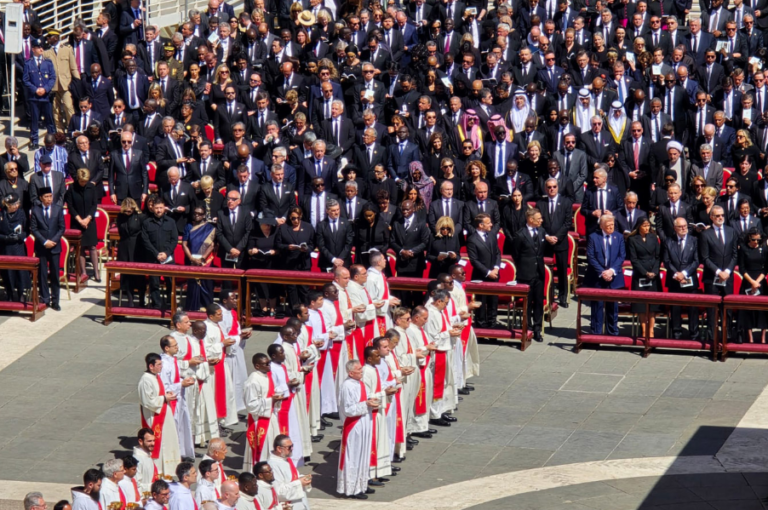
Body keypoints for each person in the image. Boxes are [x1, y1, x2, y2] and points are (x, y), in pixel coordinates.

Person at [337, 359, 377, 499]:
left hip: (364, 421)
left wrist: (371, 400)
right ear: (351, 373)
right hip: (354, 425)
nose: (362, 371)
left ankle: (362, 484)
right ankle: (352, 489)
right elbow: (348, 409)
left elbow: (366, 397)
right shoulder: (347, 386)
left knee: (363, 454)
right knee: (353, 457)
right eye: (359, 369)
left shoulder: (360, 383)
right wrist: (366, 404)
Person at [138, 353, 181, 476]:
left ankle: (168, 470)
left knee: (168, 439)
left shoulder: (156, 376)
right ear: (151, 366)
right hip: (155, 415)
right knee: (159, 441)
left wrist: (167, 395)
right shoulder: (145, 380)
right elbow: (148, 401)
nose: (161, 366)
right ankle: (158, 470)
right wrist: (164, 398)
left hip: (163, 412)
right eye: (159, 364)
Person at [699, 205, 738, 340]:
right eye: (717, 215)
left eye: (722, 215)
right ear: (711, 217)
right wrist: (718, 272)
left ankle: (727, 337)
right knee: (712, 310)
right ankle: (713, 339)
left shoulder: (731, 231)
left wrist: (727, 271)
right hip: (712, 277)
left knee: (727, 308)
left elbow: (735, 254)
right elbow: (705, 257)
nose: (720, 217)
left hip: (727, 276)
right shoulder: (705, 234)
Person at [585, 215, 626, 335]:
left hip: (614, 277)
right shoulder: (593, 237)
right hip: (597, 277)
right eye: (608, 226)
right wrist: (602, 272)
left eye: (612, 225)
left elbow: (621, 256)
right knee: (597, 306)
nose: (611, 227)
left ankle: (613, 331)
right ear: (601, 226)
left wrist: (611, 271)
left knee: (613, 306)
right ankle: (596, 332)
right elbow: (591, 256)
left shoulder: (619, 237)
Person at [512, 209, 547, 342]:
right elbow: (516, 254)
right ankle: (527, 327)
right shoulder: (520, 234)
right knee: (527, 303)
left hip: (539, 273)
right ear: (531, 220)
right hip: (526, 273)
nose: (541, 220)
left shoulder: (541, 231)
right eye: (539, 218)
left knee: (538, 302)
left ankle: (537, 329)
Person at [159, 335, 196, 459]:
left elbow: (174, 379)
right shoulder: (164, 364)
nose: (177, 347)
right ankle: (174, 454)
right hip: (172, 401)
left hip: (179, 397)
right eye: (174, 346)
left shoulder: (172, 360)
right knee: (174, 427)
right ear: (166, 348)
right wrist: (181, 384)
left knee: (182, 425)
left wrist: (183, 380)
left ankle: (182, 452)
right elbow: (165, 387)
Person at [663, 218, 701, 340]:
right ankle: (677, 333)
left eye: (685, 226)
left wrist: (684, 273)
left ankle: (694, 334)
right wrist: (676, 274)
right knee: (675, 308)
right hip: (674, 280)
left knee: (693, 308)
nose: (684, 228)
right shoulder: (668, 241)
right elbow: (667, 261)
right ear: (675, 228)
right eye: (680, 226)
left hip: (690, 279)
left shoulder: (694, 240)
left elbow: (696, 261)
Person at [30, 186, 65, 311]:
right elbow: (34, 228)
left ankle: (55, 301)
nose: (49, 199)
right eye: (46, 197)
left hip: (55, 247)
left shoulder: (58, 209)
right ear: (41, 198)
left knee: (55, 275)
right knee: (42, 274)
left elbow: (62, 227)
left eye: (50, 196)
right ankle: (45, 298)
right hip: (42, 247)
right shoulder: (36, 210)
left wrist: (53, 241)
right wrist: (44, 242)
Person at [140, 198, 178, 310]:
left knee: (170, 281)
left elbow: (174, 240)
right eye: (157, 208)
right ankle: (156, 305)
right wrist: (156, 253)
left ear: (164, 208)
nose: (159, 210)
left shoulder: (171, 222)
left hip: (168, 258)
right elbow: (145, 240)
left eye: (161, 208)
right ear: (152, 208)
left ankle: (170, 303)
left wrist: (166, 253)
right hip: (153, 257)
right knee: (154, 283)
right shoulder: (147, 223)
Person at [627, 217, 662, 338]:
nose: (647, 228)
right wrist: (645, 272)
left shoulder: (653, 237)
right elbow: (634, 259)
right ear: (639, 227)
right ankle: (643, 330)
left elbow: (658, 257)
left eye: (648, 225)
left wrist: (654, 271)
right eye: (644, 226)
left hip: (653, 274)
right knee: (641, 305)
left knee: (652, 305)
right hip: (640, 274)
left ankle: (651, 330)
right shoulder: (632, 239)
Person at [466, 213, 502, 329]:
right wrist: (488, 272)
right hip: (480, 276)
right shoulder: (472, 239)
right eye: (488, 223)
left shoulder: (491, 235)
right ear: (481, 225)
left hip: (494, 275)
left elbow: (497, 253)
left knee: (493, 303)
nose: (491, 225)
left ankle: (492, 327)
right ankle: (481, 328)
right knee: (481, 305)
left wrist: (496, 268)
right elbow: (474, 260)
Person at [65, 168, 100, 283]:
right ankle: (83, 272)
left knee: (92, 246)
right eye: (82, 181)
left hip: (90, 221)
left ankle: (96, 271)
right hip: (77, 221)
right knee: (80, 247)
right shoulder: (72, 188)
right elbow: (70, 206)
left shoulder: (91, 187)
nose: (84, 183)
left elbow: (94, 204)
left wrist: (88, 218)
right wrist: (80, 220)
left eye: (85, 181)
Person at [737, 228, 768, 343]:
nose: (756, 242)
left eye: (758, 240)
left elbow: (766, 268)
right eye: (754, 239)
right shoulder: (743, 249)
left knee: (763, 310)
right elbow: (742, 268)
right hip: (748, 280)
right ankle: (750, 337)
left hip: (760, 281)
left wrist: (757, 282)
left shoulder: (764, 248)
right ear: (749, 238)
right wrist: (752, 282)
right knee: (747, 309)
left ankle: (763, 337)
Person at [267, 435, 313, 510]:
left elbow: (292, 477)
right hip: (289, 505)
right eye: (289, 447)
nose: (292, 449)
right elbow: (279, 492)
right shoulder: (272, 466)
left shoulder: (286, 459)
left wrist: (303, 478)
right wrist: (299, 483)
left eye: (292, 446)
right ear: (279, 449)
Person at [0, 193, 30, 302]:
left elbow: (27, 230)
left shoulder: (21, 213)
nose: (17, 206)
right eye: (14, 204)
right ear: (8, 205)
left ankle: (21, 293)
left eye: (18, 203)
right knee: (8, 272)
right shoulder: (2, 215)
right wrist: (6, 238)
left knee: (20, 271)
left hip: (18, 247)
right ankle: (9, 294)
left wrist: (20, 236)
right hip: (6, 247)